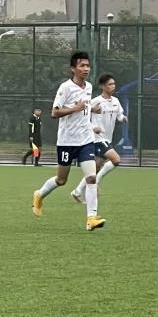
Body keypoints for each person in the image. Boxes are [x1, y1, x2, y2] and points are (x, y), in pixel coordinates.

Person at [31, 52, 105, 231]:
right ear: (73, 68)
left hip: (85, 140)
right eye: (82, 66)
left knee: (91, 177)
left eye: (88, 65)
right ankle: (39, 195)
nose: (86, 69)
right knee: (61, 180)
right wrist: (76, 108)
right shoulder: (65, 88)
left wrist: (91, 108)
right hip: (67, 141)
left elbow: (83, 107)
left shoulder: (88, 86)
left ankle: (91, 218)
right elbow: (54, 112)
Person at [72, 74, 125, 201]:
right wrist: (92, 127)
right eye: (110, 84)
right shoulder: (95, 101)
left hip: (107, 138)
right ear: (103, 86)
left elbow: (119, 115)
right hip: (97, 139)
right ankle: (97, 181)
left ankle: (77, 191)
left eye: (114, 84)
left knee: (94, 169)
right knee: (116, 160)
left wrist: (123, 118)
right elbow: (81, 117)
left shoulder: (116, 101)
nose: (113, 86)